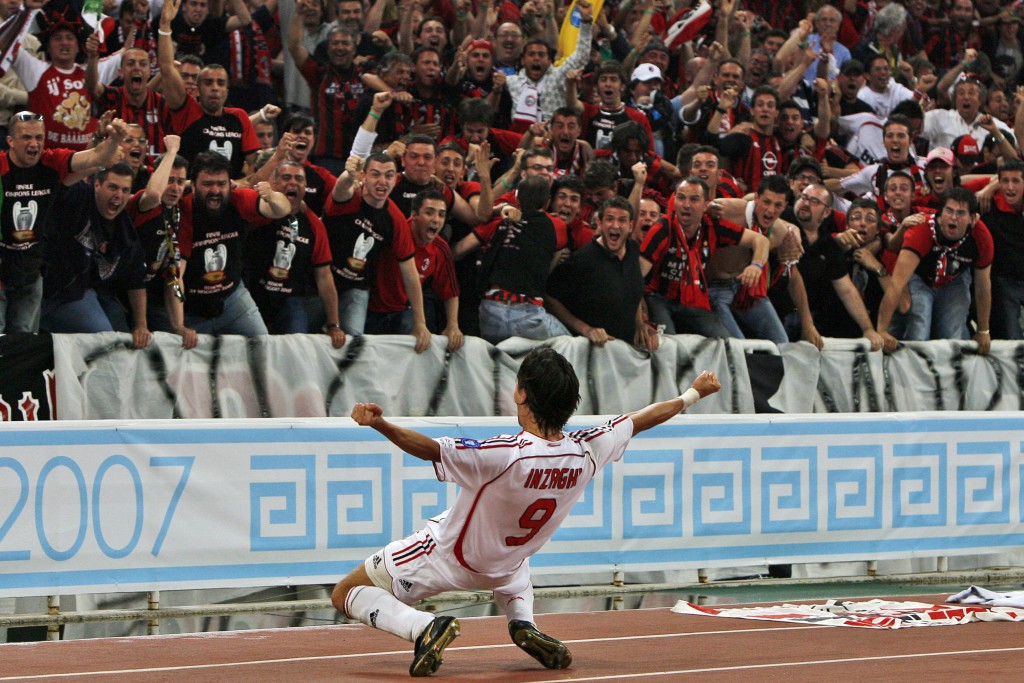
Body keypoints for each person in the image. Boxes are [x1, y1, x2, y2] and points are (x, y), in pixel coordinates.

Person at [335, 347, 721, 677]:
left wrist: (381, 424)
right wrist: (693, 394)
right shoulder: (588, 449)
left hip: (444, 557)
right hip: (506, 566)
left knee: (346, 592)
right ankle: (522, 621)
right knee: (515, 569)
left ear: (520, 394)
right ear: (570, 403)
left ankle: (423, 628)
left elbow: (432, 450)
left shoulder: (504, 453)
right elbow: (643, 418)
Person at [0, 111, 129, 333]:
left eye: (39, 138)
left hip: (30, 273)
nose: (34, 144)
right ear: (10, 141)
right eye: (26, 137)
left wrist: (114, 139)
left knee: (23, 345)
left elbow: (96, 158)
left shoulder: (51, 162)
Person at [39, 162, 150, 347]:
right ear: (97, 185)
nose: (118, 196)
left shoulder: (124, 229)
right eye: (112, 187)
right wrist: (99, 157)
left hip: (80, 294)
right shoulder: (80, 195)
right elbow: (63, 181)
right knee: (105, 340)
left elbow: (135, 277)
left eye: (125, 190)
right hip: (43, 291)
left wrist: (141, 325)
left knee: (115, 340)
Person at [878, 187, 993, 351]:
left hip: (955, 281)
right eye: (949, 211)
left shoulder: (982, 237)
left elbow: (983, 286)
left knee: (952, 336)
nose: (953, 217)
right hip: (920, 279)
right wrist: (881, 330)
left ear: (973, 219)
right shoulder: (921, 230)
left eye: (961, 213)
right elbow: (896, 283)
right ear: (940, 212)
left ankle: (950, 374)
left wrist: (983, 330)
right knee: (919, 330)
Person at [545, 196, 659, 350]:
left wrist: (639, 323)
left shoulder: (633, 249)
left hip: (627, 350)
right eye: (610, 219)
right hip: (595, 351)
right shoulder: (583, 259)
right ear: (599, 223)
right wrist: (585, 329)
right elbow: (550, 298)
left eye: (622, 220)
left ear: (631, 226)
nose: (616, 226)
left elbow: (632, 290)